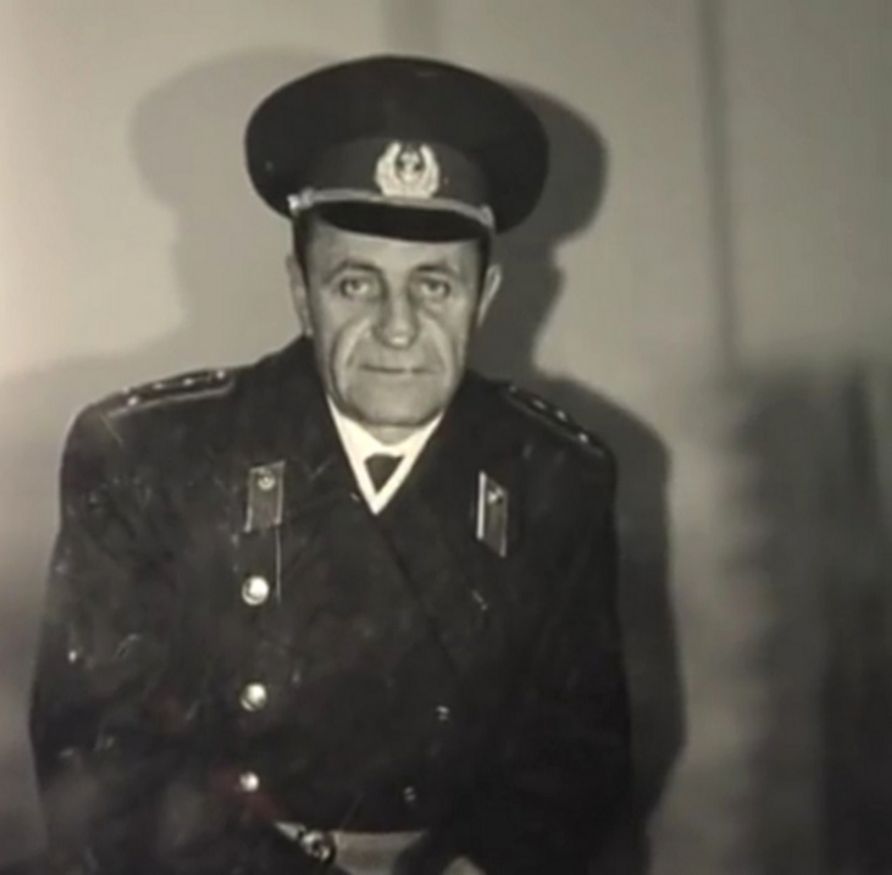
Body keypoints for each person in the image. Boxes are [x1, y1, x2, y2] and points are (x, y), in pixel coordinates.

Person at [28, 56, 630, 875]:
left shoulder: (554, 478)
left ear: (484, 297)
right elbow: (103, 770)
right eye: (356, 283)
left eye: (434, 286)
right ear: (301, 292)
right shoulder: (149, 460)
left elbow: (577, 760)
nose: (397, 327)